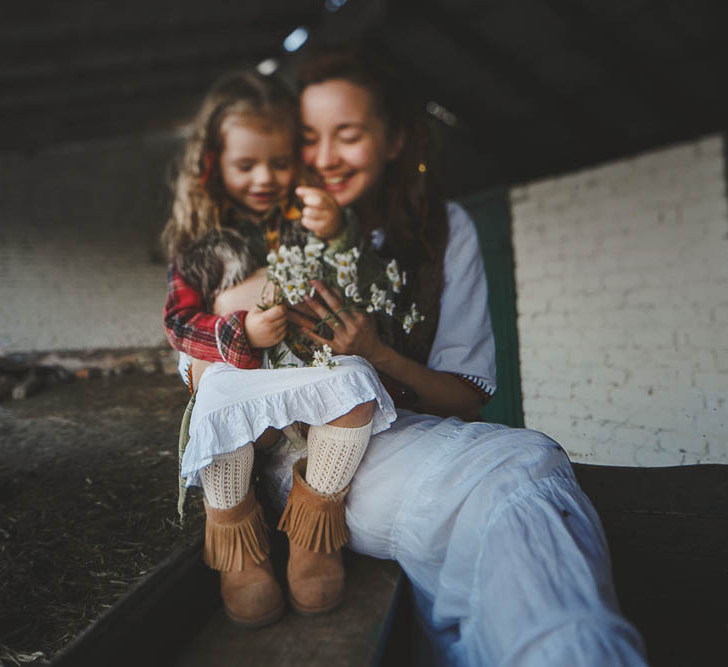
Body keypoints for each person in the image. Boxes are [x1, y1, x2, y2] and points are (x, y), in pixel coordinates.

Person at [193, 51, 649, 664]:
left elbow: (466, 398)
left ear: (393, 139)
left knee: (526, 467)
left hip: (390, 435)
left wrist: (377, 353)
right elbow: (203, 367)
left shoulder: (442, 230)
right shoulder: (260, 225)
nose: (325, 157)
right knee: (516, 475)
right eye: (308, 138)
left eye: (348, 135)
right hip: (285, 453)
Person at [161, 71, 397, 628]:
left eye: (280, 163)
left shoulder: (305, 219)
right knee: (219, 406)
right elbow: (178, 323)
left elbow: (357, 284)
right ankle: (237, 545)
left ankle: (314, 528)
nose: (265, 178)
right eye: (246, 165)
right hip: (238, 375)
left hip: (305, 372)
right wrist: (239, 331)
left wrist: (337, 232)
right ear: (213, 163)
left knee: (357, 387)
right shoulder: (199, 242)